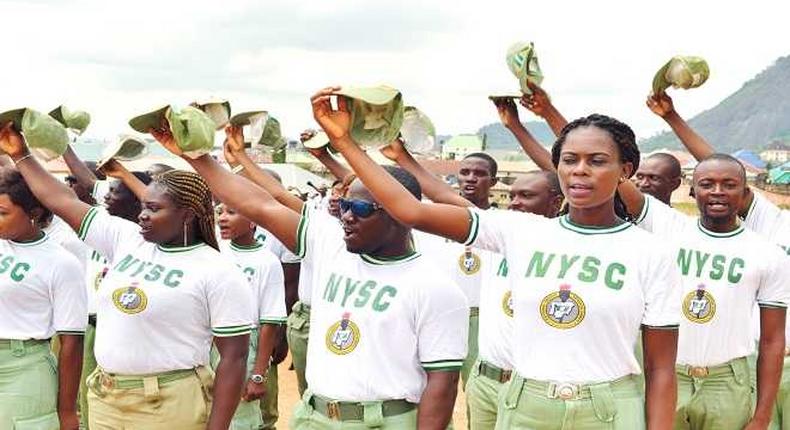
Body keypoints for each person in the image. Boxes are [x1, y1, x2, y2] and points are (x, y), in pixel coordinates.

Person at [313, 86, 681, 429]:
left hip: (610, 408)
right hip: (527, 406)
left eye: (597, 161)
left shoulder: (651, 252)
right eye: (570, 160)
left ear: (625, 171)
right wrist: (344, 141)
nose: (580, 170)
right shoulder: (520, 231)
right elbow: (411, 211)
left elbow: (660, 368)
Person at [153, 124, 469, 430]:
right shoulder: (330, 245)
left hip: (385, 421)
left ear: (401, 213)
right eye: (345, 205)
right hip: (314, 415)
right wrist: (197, 158)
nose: (346, 216)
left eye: (359, 208)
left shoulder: (435, 287)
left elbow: (442, 384)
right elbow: (260, 204)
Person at [0, 122, 254, 430]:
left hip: (169, 402)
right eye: (144, 207)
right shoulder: (127, 239)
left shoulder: (218, 270)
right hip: (108, 397)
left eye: (154, 208)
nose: (143, 215)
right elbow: (62, 200)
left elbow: (233, 359)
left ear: (186, 215)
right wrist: (22, 154)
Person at [0, 167, 86, 430]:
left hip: (24, 367)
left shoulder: (61, 262)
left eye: (3, 213)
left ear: (34, 213)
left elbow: (72, 341)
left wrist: (67, 410)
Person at [216, 203, 286, 430]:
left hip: (245, 343)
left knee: (239, 418)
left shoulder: (267, 262)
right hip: (208, 338)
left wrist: (257, 374)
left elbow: (269, 322)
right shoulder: (214, 252)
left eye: (232, 212)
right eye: (220, 213)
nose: (222, 219)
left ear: (254, 220)